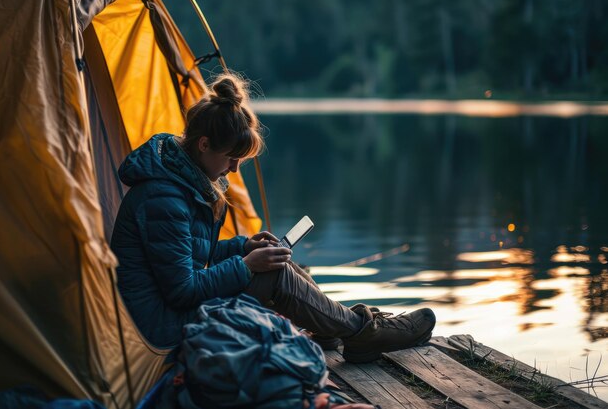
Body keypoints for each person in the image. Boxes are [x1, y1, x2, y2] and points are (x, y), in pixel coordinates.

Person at [110, 72, 436, 363]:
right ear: (204, 144)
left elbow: (191, 254)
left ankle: (336, 328)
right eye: (231, 158)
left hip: (173, 311)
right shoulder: (163, 197)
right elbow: (182, 289)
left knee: (277, 263)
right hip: (159, 328)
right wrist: (247, 265)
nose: (234, 169)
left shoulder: (180, 182)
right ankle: (364, 333)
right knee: (272, 275)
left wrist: (243, 246)